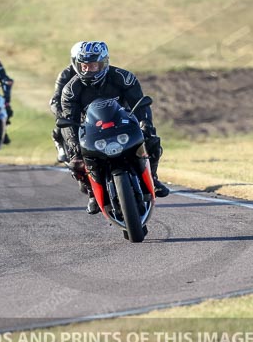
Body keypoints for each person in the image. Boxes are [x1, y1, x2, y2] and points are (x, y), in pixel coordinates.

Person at [60, 41, 169, 214]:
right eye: (84, 66)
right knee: (75, 163)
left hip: (124, 125)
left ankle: (153, 178)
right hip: (91, 132)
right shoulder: (70, 90)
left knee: (152, 141)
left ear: (104, 63)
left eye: (94, 65)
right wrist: (73, 144)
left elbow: (141, 105)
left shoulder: (124, 77)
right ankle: (92, 193)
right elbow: (67, 119)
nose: (89, 69)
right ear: (76, 64)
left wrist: (145, 124)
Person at [49, 41, 85, 163]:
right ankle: (60, 143)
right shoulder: (65, 75)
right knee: (64, 120)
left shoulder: (102, 73)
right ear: (74, 61)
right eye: (82, 61)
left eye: (92, 62)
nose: (87, 65)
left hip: (94, 109)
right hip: (73, 107)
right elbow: (55, 99)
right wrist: (63, 114)